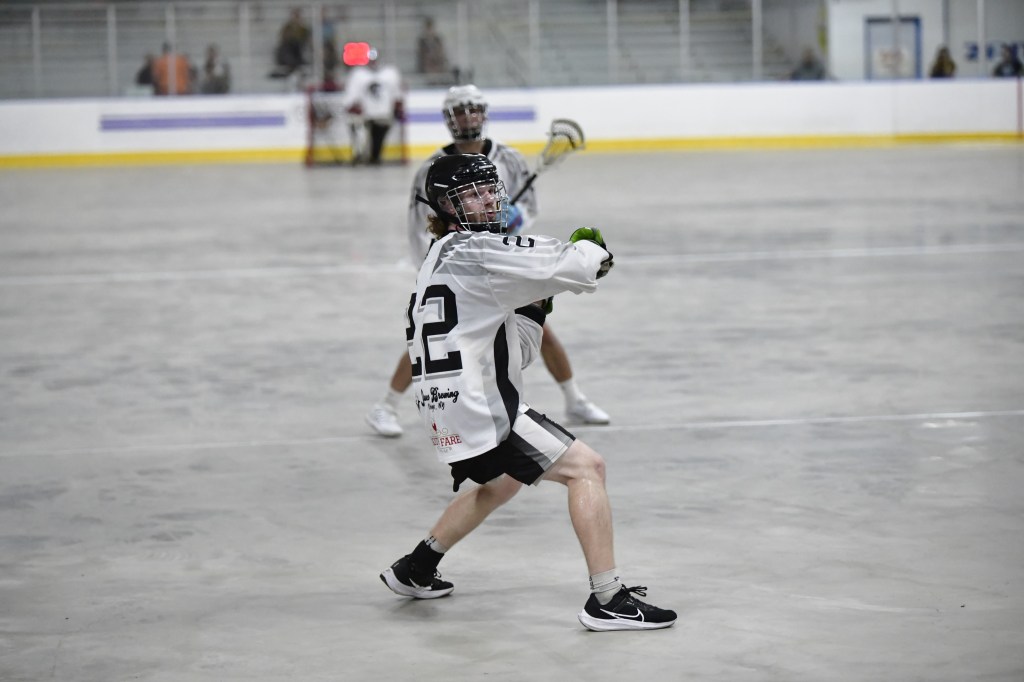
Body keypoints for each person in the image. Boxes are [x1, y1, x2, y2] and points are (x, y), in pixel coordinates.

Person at [379, 153, 676, 632]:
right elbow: (578, 264)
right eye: (471, 193)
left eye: (489, 189)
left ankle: (416, 567)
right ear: (446, 207)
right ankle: (608, 600)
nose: (487, 199)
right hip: (481, 407)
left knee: (504, 481)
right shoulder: (478, 249)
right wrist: (591, 252)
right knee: (587, 469)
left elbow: (514, 351)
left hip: (445, 409)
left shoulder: (440, 256)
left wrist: (535, 305)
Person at [365, 84, 611, 437]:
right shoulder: (435, 168)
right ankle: (386, 405)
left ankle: (574, 398)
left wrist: (512, 225)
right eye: (459, 111)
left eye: (473, 109)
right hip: (461, 267)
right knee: (438, 337)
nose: (468, 117)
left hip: (499, 260)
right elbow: (420, 224)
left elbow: (528, 207)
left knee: (536, 326)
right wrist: (429, 269)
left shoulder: (509, 158)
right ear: (449, 117)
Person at [342, 50, 405, 165]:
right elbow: (351, 95)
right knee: (361, 134)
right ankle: (361, 155)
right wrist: (352, 105)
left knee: (378, 136)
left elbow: (397, 94)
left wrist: (397, 107)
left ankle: (374, 156)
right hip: (365, 114)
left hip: (383, 114)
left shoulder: (390, 73)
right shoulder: (359, 74)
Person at [272, 7, 311, 78]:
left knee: (296, 47)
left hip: (298, 50)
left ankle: (293, 67)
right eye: (294, 16)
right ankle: (291, 66)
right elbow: (283, 38)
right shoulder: (287, 27)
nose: (296, 18)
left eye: (297, 16)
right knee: (285, 49)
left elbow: (305, 39)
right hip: (289, 49)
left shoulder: (304, 29)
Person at [416, 17, 451, 85]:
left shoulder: (437, 39)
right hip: (427, 66)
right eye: (428, 28)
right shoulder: (422, 41)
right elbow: (421, 56)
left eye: (431, 28)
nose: (429, 31)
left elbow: (441, 53)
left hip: (438, 64)